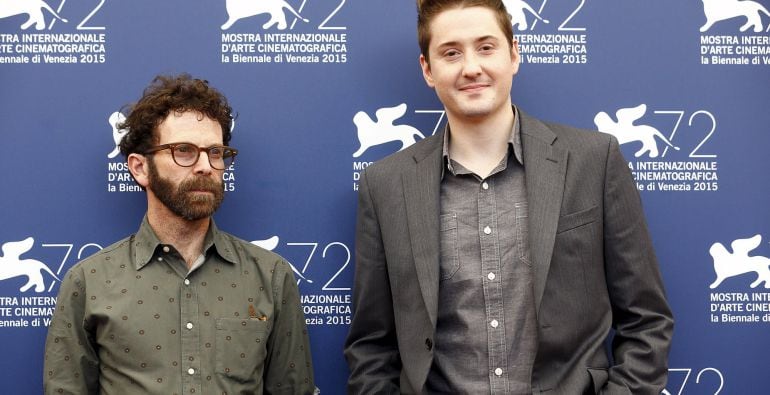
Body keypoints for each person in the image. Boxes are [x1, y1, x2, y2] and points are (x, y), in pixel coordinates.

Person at [344, 1, 674, 393]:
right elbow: (371, 346)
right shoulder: (385, 185)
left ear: (513, 54)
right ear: (428, 70)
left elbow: (646, 320)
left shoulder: (594, 161)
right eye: (451, 53)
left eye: (486, 47)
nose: (471, 67)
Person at [44, 74, 316, 395]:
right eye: (184, 151)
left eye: (215, 152)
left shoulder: (270, 276)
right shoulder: (89, 282)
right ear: (140, 168)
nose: (205, 166)